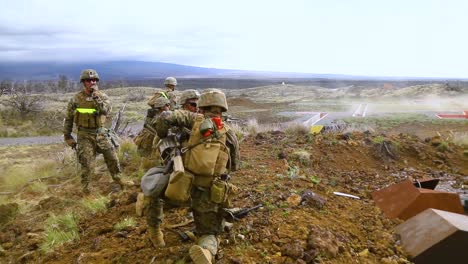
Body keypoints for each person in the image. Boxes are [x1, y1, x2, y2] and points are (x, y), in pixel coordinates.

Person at [155, 89, 240, 264]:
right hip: (209, 191)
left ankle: (154, 231)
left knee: (154, 193)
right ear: (223, 109)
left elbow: (164, 117)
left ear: (201, 106)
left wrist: (163, 135)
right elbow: (234, 165)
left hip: (181, 185)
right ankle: (206, 251)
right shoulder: (229, 132)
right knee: (209, 232)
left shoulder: (191, 119)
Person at [143, 89, 200, 248]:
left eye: (199, 104)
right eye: (193, 104)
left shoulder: (201, 121)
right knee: (156, 190)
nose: (197, 108)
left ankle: (205, 229)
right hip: (175, 166)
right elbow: (162, 135)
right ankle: (154, 230)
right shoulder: (175, 119)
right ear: (184, 105)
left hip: (196, 168)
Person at [63, 69, 130, 194]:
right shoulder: (76, 99)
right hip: (84, 135)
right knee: (87, 164)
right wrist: (67, 136)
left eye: (94, 80)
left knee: (113, 159)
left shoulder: (103, 97)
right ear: (84, 82)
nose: (92, 82)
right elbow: (69, 119)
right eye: (88, 80)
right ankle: (86, 191)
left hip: (101, 134)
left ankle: (120, 182)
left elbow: (105, 111)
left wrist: (96, 97)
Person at [134, 97, 171, 166]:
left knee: (145, 160)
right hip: (151, 141)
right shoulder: (162, 117)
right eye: (168, 105)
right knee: (152, 161)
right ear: (165, 106)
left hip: (146, 140)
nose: (169, 106)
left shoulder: (152, 116)